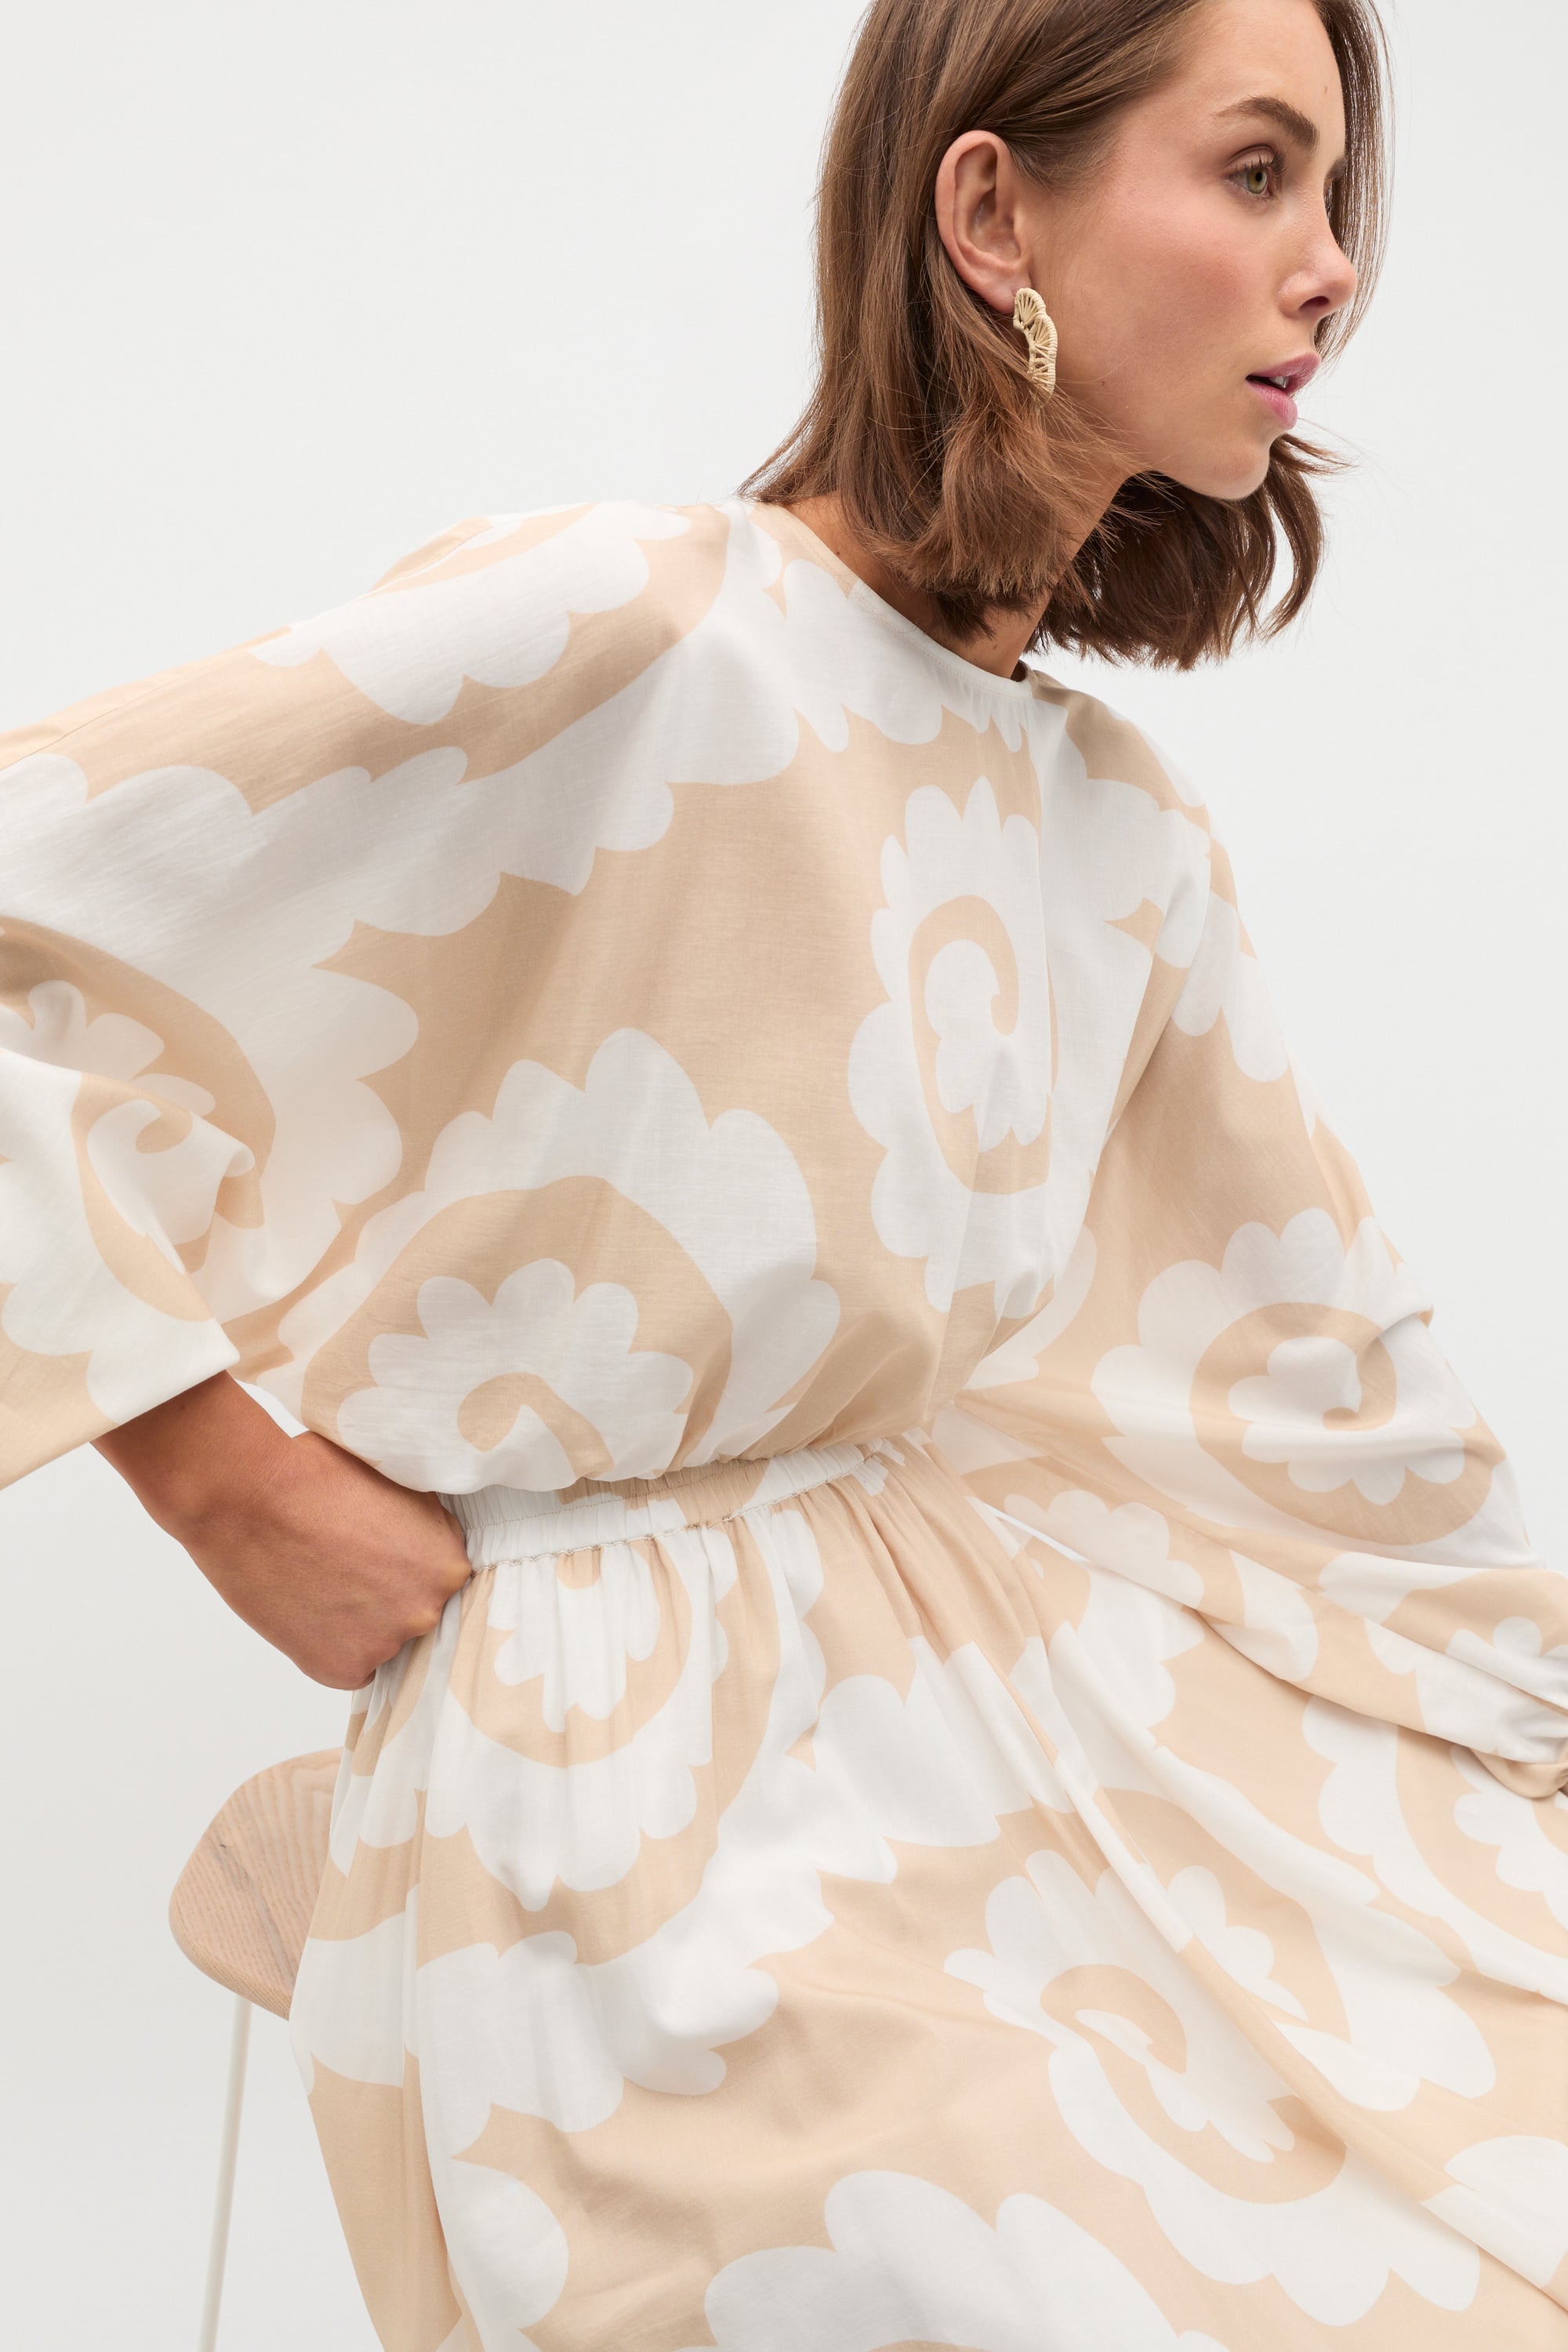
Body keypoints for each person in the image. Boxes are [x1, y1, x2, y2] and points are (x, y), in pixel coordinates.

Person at [4, 0, 1566, 2342]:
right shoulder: (648, 624)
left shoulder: (1111, 827)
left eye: (1338, 193)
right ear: (990, 211)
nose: (1333, 260)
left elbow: (1318, 1397)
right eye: (1256, 172)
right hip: (616, 1816)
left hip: (974, 1748)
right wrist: (217, 1477)